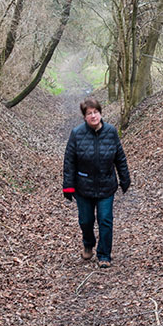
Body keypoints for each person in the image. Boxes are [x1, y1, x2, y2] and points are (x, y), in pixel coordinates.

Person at [62, 97, 130, 268]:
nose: (93, 116)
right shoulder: (77, 134)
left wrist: (125, 179)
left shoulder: (111, 132)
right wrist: (68, 186)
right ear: (84, 117)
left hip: (106, 185)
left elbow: (120, 158)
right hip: (83, 186)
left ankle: (104, 254)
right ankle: (88, 243)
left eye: (96, 112)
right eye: (89, 113)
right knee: (86, 220)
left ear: (100, 113)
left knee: (105, 219)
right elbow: (69, 161)